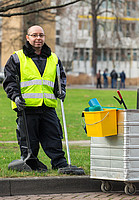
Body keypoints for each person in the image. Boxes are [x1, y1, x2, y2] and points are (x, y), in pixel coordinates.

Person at [3, 25, 84, 175]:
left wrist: (61, 90)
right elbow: (9, 81)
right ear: (28, 37)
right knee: (29, 141)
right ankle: (30, 161)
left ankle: (60, 163)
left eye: (41, 35)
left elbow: (60, 79)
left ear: (44, 37)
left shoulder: (54, 58)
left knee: (53, 136)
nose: (38, 38)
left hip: (47, 106)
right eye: (34, 35)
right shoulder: (17, 57)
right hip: (26, 107)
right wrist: (15, 96)